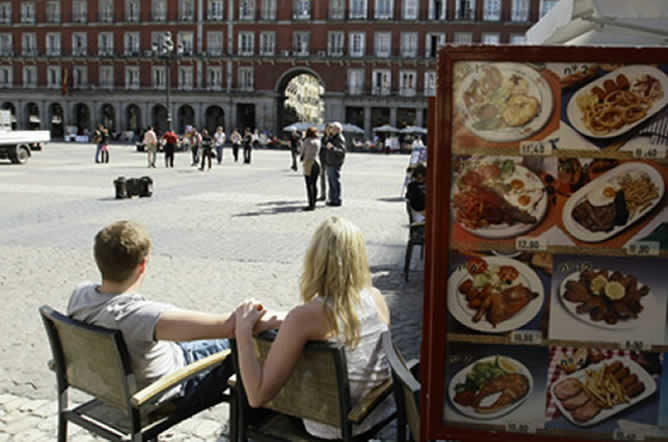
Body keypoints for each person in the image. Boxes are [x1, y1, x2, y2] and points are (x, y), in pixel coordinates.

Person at [67, 221, 281, 413]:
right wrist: (284, 319)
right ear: (143, 265)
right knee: (248, 344)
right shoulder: (141, 316)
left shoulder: (80, 294)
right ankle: (257, 421)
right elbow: (230, 326)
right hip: (167, 391)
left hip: (115, 383)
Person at [234, 217, 395, 439]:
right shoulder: (376, 298)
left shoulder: (303, 318)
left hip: (331, 426)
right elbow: (337, 323)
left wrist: (242, 332)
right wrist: (284, 319)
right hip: (375, 411)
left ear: (314, 260)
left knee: (251, 398)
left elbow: (257, 396)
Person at [323, 121, 346, 207]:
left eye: (332, 128)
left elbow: (341, 152)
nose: (331, 130)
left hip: (334, 163)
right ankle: (332, 199)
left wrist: (332, 148)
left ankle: (337, 199)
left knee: (335, 182)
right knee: (331, 182)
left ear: (337, 129)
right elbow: (324, 142)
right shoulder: (333, 137)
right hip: (330, 162)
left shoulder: (339, 138)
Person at [300, 127, 320, 211]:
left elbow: (302, 152)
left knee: (309, 184)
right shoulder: (318, 141)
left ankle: (310, 204)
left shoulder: (307, 141)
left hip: (308, 163)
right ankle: (314, 202)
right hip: (317, 163)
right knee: (314, 184)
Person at [318, 124, 330, 201]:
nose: (327, 130)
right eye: (326, 129)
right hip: (322, 159)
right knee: (322, 178)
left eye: (329, 129)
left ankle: (331, 195)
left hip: (330, 160)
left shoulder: (332, 138)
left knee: (330, 179)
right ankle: (323, 194)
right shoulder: (323, 137)